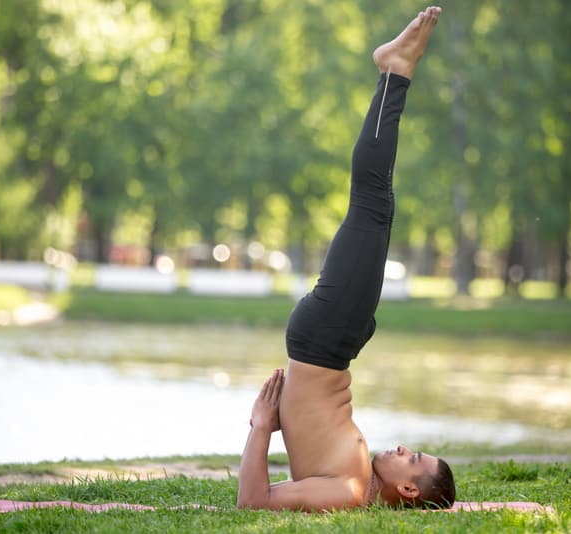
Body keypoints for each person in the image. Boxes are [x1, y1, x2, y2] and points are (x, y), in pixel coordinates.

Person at [237, 6, 455, 512]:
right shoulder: (358, 481)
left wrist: (261, 427)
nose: (404, 447)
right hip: (337, 348)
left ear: (407, 488)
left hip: (323, 341)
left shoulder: (348, 491)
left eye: (413, 457)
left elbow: (252, 501)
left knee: (373, 200)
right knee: (379, 206)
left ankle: (395, 70)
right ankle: (394, 70)